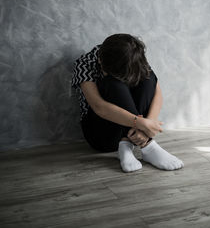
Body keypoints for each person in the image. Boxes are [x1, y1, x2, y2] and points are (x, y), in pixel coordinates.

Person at [71, 33, 184, 172]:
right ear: (100, 61)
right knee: (112, 83)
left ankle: (128, 144)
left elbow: (157, 93)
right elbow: (99, 107)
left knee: (148, 77)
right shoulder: (84, 63)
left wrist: (149, 124)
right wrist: (140, 123)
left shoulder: (132, 55)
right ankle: (148, 147)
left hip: (137, 133)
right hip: (102, 133)